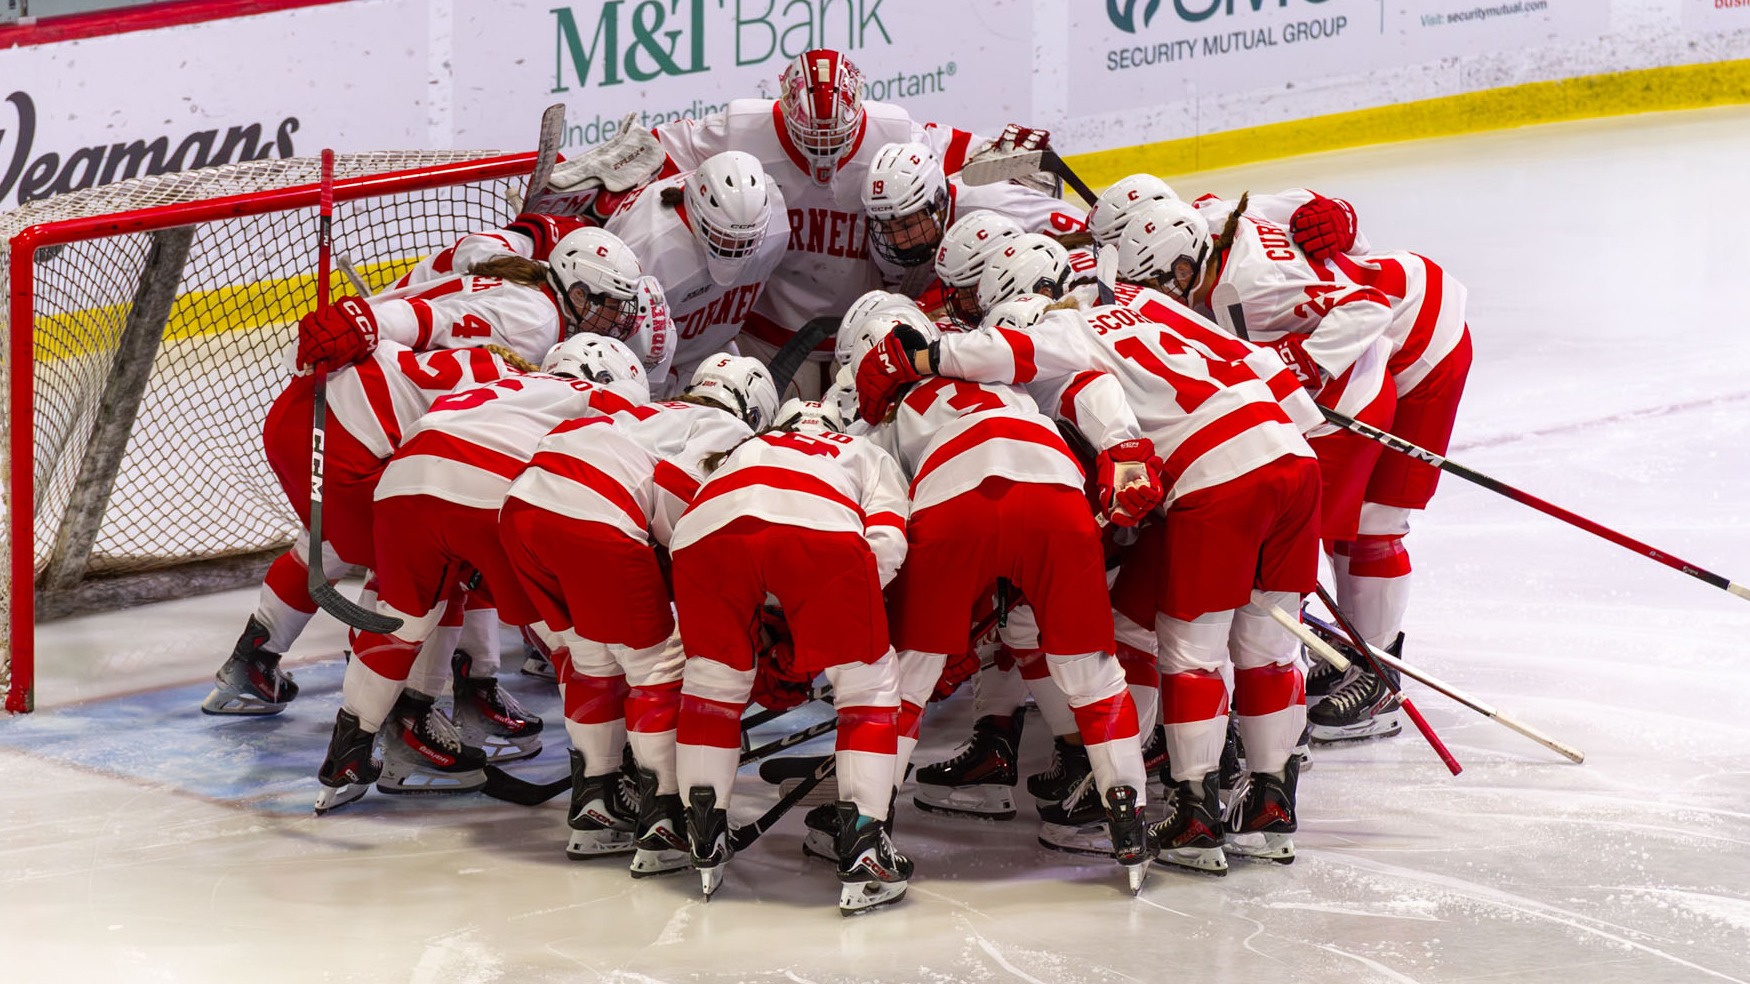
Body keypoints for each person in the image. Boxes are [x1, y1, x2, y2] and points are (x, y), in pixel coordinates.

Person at [857, 242, 1321, 872]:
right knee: (1270, 645)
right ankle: (1273, 800)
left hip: (1214, 477)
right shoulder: (1147, 297)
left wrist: (923, 354)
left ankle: (1196, 813)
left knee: (1192, 652)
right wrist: (1288, 424)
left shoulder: (1061, 330)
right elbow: (1259, 361)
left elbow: (1021, 356)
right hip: (1292, 453)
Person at [851, 305, 1157, 891]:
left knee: (906, 681)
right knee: (1093, 671)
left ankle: (867, 828)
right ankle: (1129, 817)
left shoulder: (882, 424)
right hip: (1052, 486)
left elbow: (881, 516)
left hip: (949, 495)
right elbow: (1082, 362)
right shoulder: (1003, 367)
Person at [311, 335, 649, 814]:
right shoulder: (602, 399)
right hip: (493, 482)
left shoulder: (504, 381)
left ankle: (346, 756)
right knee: (574, 642)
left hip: (403, 478)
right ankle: (602, 782)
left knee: (403, 621)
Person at [499, 354, 771, 873]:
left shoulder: (648, 411)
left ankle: (596, 806)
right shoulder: (725, 429)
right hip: (595, 515)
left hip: (521, 509)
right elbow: (674, 490)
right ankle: (663, 819)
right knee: (658, 668)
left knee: (592, 663)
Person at [666, 385, 913, 914]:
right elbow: (885, 546)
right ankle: (866, 845)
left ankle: (704, 836)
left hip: (702, 534)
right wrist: (822, 624)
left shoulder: (745, 448)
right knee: (867, 686)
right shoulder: (867, 452)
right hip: (820, 531)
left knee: (711, 687)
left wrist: (780, 614)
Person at [642, 49, 996, 398]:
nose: (823, 143)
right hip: (764, 336)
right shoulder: (744, 126)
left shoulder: (892, 131)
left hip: (863, 334)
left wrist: (1013, 159)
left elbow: (964, 158)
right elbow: (655, 153)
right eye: (810, 132)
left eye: (836, 133)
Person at [605, 152, 789, 396]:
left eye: (747, 239)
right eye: (723, 236)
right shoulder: (650, 246)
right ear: (695, 210)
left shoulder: (776, 218)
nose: (735, 249)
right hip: (647, 369)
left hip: (716, 353)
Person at [860, 141, 1085, 303]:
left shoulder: (997, 206)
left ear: (938, 201)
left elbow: (1089, 232)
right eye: (888, 227)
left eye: (907, 226)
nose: (897, 240)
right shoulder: (887, 235)